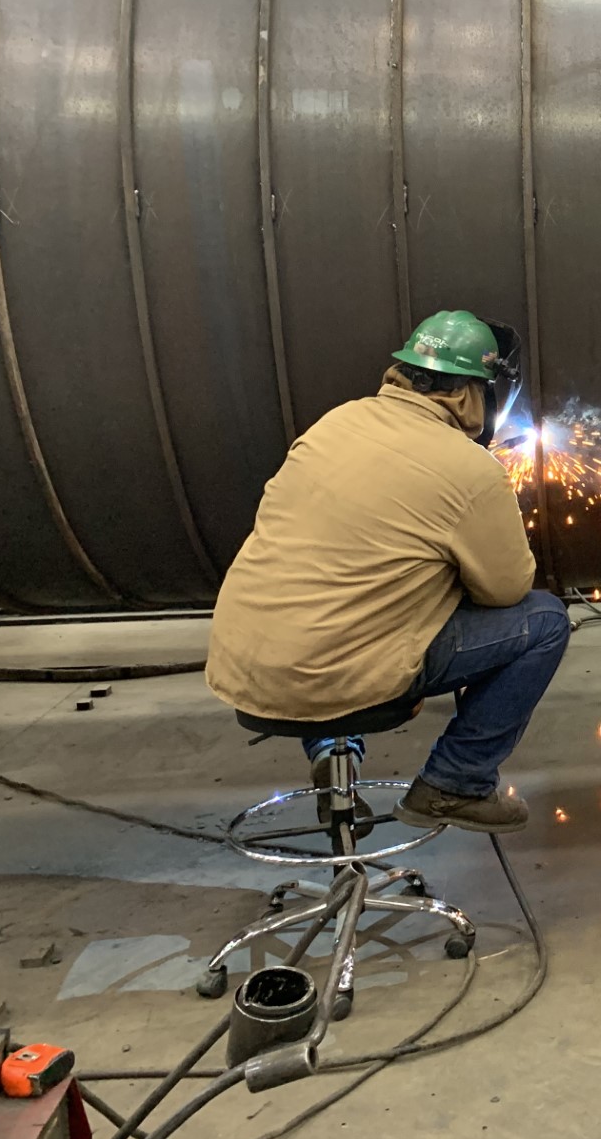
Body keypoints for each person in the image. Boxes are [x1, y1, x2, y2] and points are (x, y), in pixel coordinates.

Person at [206, 310, 568, 834]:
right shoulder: (469, 470)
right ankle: (454, 785)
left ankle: (335, 755)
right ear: (473, 395)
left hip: (250, 664)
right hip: (334, 675)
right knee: (546, 621)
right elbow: (505, 590)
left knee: (344, 603)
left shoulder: (335, 423)